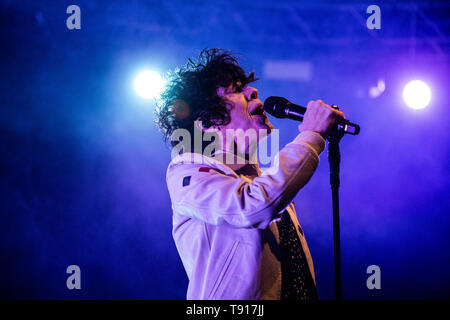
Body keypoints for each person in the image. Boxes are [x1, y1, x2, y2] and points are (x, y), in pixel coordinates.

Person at [155, 48, 345, 300]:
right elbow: (251, 205)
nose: (253, 92)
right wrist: (311, 137)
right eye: (235, 89)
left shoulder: (264, 182)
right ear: (209, 121)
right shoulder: (185, 174)